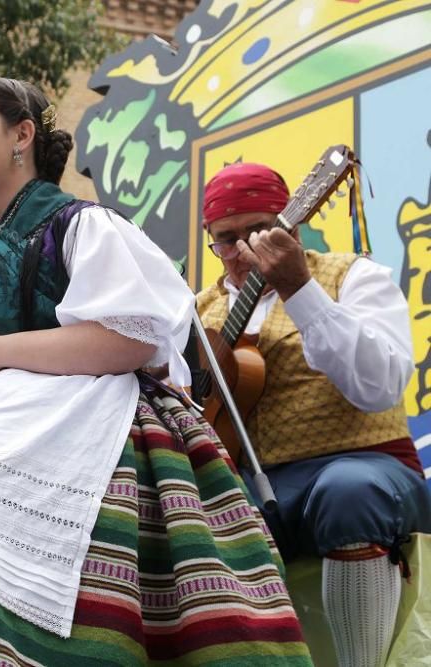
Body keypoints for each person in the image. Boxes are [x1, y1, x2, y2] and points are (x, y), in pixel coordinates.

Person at [0, 77, 310, 665]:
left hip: (86, 416)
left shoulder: (79, 224)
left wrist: (0, 350)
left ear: (21, 133)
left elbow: (129, 338)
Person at [196, 161, 431, 667]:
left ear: (291, 226)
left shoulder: (353, 276)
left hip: (366, 469)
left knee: (348, 491)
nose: (241, 251)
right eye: (226, 238)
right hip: (254, 488)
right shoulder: (195, 313)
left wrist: (301, 290)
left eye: (256, 231)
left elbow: (380, 385)